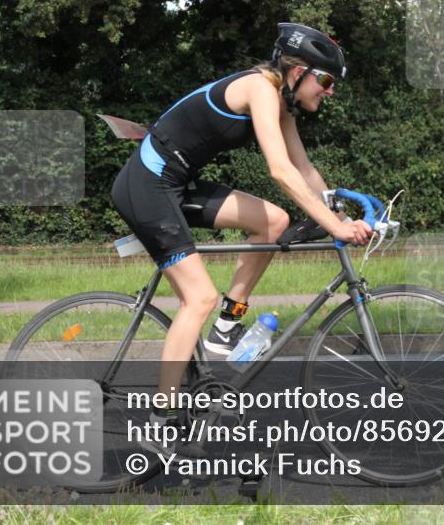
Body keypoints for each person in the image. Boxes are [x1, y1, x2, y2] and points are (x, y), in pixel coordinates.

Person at [111, 23, 373, 454]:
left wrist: (340, 213)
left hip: (175, 183)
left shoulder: (282, 104)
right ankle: (160, 420)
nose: (330, 92)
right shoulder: (259, 89)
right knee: (198, 298)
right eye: (325, 80)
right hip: (147, 183)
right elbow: (280, 171)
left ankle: (227, 326)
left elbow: (304, 169)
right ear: (297, 71)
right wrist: (333, 224)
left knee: (272, 221)